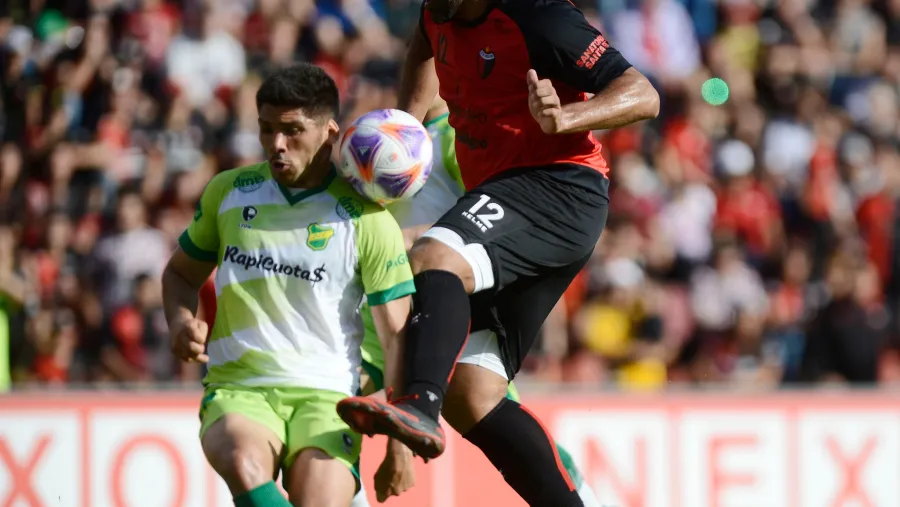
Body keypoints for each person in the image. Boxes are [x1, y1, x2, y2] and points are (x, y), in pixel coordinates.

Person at [337, 0, 660, 505]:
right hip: (513, 199)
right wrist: (407, 128)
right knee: (471, 395)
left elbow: (642, 94)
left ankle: (418, 406)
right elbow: (422, 46)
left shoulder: (540, 17)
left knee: (432, 257)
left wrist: (568, 116)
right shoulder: (438, 10)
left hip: (558, 187)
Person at [162, 63, 415, 507]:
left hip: (328, 395)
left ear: (330, 131)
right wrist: (181, 320)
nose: (277, 145)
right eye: (266, 129)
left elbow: (399, 337)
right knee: (243, 461)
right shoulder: (229, 192)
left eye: (292, 130)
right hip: (240, 387)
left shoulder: (369, 220)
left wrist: (400, 442)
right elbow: (180, 273)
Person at [356, 97, 601, 506]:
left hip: (452, 308)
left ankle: (586, 498)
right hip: (383, 309)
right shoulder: (374, 141)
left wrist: (413, 241)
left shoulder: (456, 138)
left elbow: (495, 218)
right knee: (326, 406)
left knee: (493, 417)